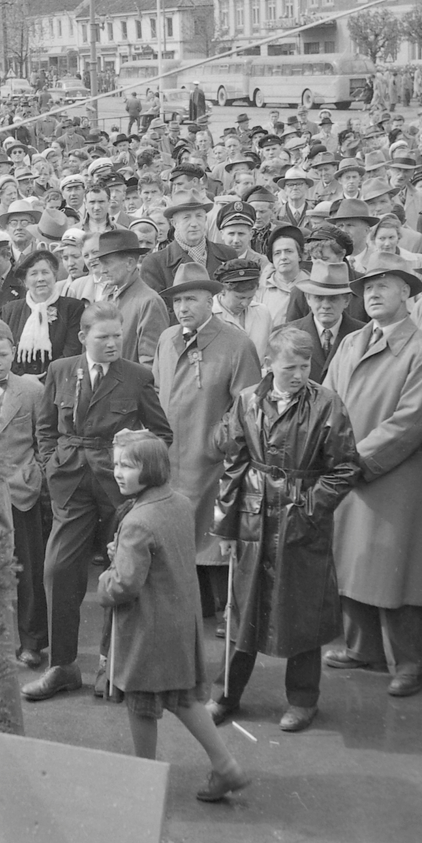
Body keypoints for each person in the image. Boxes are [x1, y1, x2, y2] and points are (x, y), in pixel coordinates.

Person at [208, 326, 361, 732]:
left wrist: (308, 507)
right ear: (268, 364)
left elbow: (346, 467)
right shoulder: (247, 401)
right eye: (289, 366)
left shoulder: (327, 403)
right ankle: (224, 695)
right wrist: (225, 527)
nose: (298, 374)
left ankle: (303, 701)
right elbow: (234, 464)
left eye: (305, 366)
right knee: (242, 610)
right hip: (253, 517)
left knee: (303, 614)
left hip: (301, 523)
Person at [24, 303, 172, 701]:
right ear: (83, 337)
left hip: (118, 488)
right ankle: (62, 666)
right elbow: (45, 427)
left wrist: (135, 465)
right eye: (103, 337)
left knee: (120, 573)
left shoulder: (136, 376)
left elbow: (162, 434)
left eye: (117, 336)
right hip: (69, 483)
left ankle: (113, 664)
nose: (112, 343)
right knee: (58, 569)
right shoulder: (60, 370)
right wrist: (51, 465)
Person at [95, 431, 248, 802]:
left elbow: (125, 585)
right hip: (177, 622)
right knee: (183, 698)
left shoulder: (137, 521)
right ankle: (226, 766)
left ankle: (145, 780)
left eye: (127, 466)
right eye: (116, 464)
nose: (118, 473)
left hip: (146, 630)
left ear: (151, 468)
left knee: (141, 704)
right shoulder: (178, 502)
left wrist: (105, 579)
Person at [323, 254, 422, 697]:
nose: (372, 294)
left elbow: (410, 421)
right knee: (352, 562)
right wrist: (332, 452)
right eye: (368, 287)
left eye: (384, 286)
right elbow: (327, 402)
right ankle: (364, 649)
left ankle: (411, 662)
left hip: (397, 478)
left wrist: (354, 461)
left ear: (406, 293)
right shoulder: (351, 342)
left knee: (397, 573)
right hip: (352, 470)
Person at [153, 263, 261, 622]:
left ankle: (230, 615)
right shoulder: (167, 339)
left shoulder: (236, 343)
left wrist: (218, 441)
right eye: (177, 301)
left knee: (214, 539)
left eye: (191, 299)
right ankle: (194, 609)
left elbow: (248, 406)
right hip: (172, 459)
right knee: (181, 537)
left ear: (210, 300)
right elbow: (156, 391)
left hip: (213, 461)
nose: (183, 307)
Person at [0, 318, 49, 669]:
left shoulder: (31, 390)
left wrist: (34, 473)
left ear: (14, 353)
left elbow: (45, 439)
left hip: (20, 490)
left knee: (28, 567)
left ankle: (32, 640)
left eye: (4, 355)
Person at [0, 249, 85, 376]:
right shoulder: (11, 310)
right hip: (20, 382)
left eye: (45, 272)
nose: (40, 279)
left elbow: (71, 353)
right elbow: (6, 353)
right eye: (33, 274)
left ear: (54, 276)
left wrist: (45, 380)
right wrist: (24, 380)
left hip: (59, 380)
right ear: (25, 281)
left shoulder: (72, 308)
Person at [94, 229, 170, 366]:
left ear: (129, 263)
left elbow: (151, 364)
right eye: (101, 263)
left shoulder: (149, 302)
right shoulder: (106, 297)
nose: (102, 270)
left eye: (108, 263)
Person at [285, 261, 363, 383]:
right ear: (308, 298)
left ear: (347, 300)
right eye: (319, 298)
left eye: (333, 298)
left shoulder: (362, 335)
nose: (326, 305)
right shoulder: (287, 335)